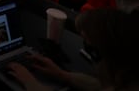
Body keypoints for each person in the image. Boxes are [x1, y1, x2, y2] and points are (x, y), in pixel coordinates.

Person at [7, 8, 139, 91]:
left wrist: (30, 82)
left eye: (88, 43)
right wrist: (62, 74)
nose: (85, 46)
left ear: (101, 53)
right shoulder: (127, 79)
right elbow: (99, 86)